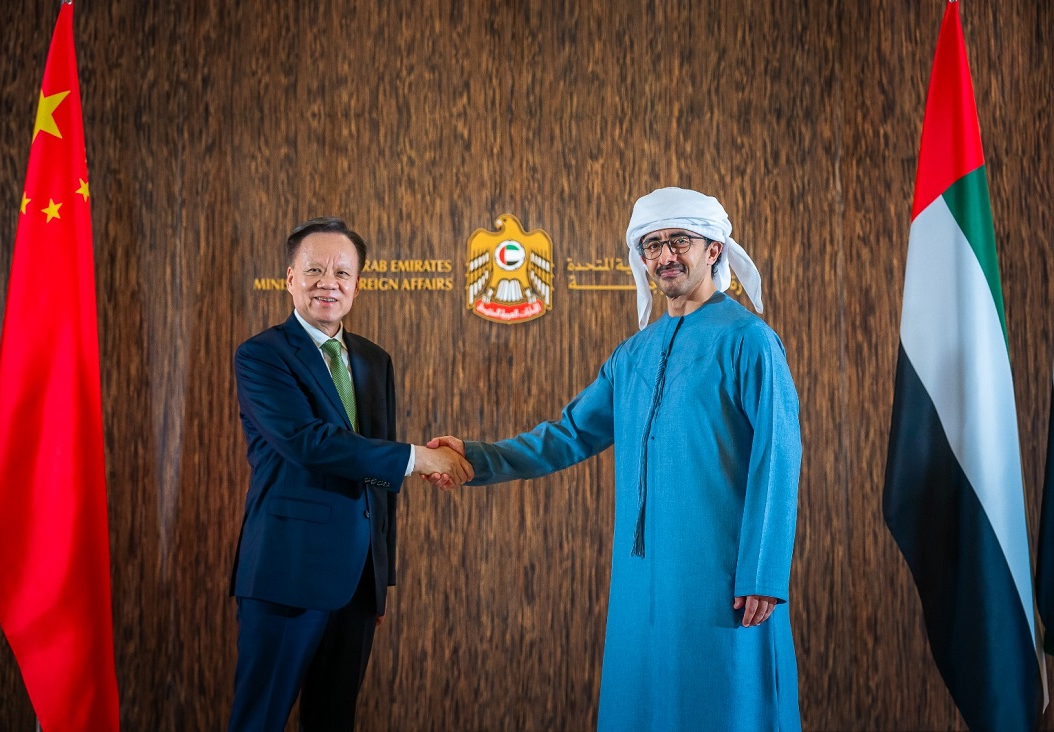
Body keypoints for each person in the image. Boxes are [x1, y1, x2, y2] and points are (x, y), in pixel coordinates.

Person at [429, 188, 802, 730]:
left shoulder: (750, 341)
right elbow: (568, 435)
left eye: (680, 240)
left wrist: (763, 572)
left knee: (726, 702)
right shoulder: (632, 355)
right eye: (653, 245)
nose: (666, 255)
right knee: (642, 703)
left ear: (714, 249)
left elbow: (778, 458)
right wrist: (478, 456)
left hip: (722, 573)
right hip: (640, 575)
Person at [228, 216, 472, 731]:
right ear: (289, 278)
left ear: (357, 284)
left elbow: (376, 478)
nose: (328, 283)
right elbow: (309, 443)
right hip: (287, 574)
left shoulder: (373, 360)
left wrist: (381, 576)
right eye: (314, 270)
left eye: (342, 273)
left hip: (358, 583)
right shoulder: (261, 356)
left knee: (334, 721)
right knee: (259, 720)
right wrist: (419, 458)